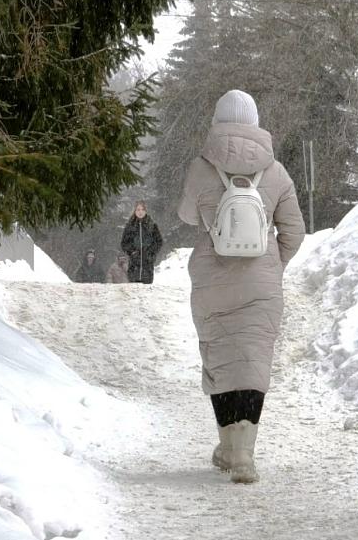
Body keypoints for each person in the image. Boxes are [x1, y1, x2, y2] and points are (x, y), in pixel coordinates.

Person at [176, 89, 305, 484]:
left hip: (213, 280)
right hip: (262, 282)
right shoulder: (278, 172)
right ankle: (244, 454)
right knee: (253, 362)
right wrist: (271, 264)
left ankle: (228, 447)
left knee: (221, 360)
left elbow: (185, 215)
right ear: (255, 123)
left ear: (217, 122)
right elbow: (295, 231)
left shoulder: (202, 167)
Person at [120, 201, 162, 284]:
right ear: (134, 211)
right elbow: (124, 243)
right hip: (134, 265)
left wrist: (150, 252)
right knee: (134, 292)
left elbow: (159, 241)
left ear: (145, 211)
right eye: (138, 209)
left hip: (147, 264)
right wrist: (132, 252)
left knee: (146, 292)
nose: (140, 212)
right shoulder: (130, 225)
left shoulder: (152, 225)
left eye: (142, 209)